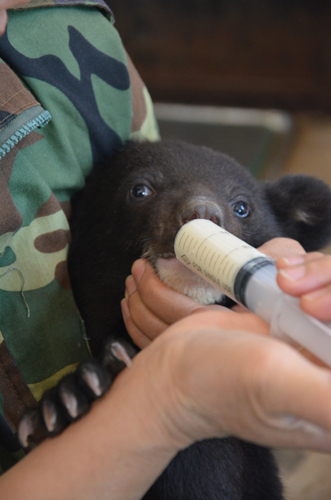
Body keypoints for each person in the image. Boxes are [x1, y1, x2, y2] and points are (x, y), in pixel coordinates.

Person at [1, 0, 331, 498]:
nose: (203, 211)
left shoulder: (68, 30)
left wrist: (284, 267)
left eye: (239, 210)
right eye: (142, 192)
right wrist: (166, 396)